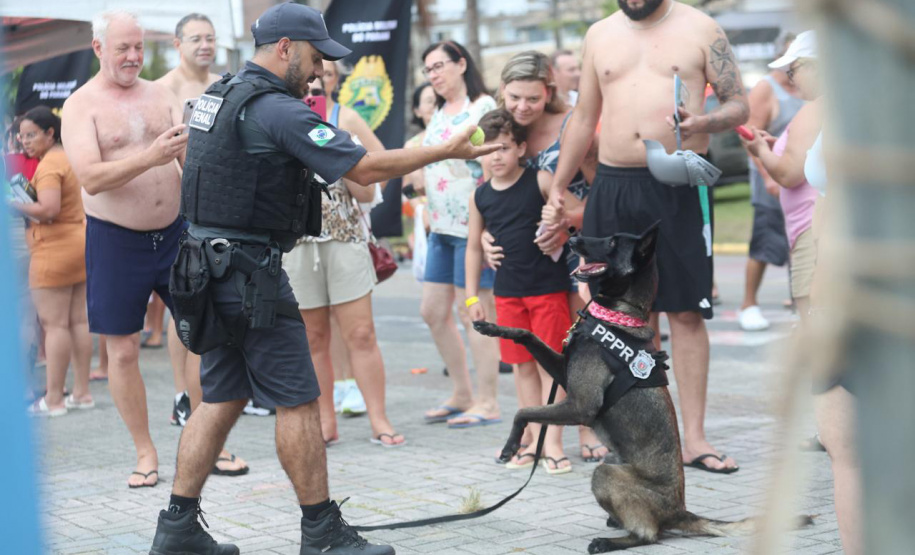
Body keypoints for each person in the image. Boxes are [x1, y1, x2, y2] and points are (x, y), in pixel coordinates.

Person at [146, 4, 498, 553]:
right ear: (285, 47)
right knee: (299, 402)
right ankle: (322, 533)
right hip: (250, 277)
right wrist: (445, 150)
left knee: (220, 397)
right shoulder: (276, 110)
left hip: (207, 268)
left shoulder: (218, 96)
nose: (317, 72)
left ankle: (176, 529)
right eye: (314, 58)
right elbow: (363, 168)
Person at [544, 0, 749, 473]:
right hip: (614, 185)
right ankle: (648, 436)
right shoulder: (599, 35)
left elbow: (739, 103)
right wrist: (558, 184)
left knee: (686, 312)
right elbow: (582, 118)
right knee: (625, 319)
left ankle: (694, 439)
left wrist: (706, 122)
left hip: (678, 184)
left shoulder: (701, 28)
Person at [61, 10, 189, 488]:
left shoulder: (162, 93)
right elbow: (91, 176)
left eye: (138, 47)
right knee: (123, 350)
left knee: (205, 333)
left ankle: (204, 438)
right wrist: (151, 156)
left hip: (175, 231)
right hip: (116, 240)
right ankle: (145, 451)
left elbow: (187, 156)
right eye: (123, 48)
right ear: (98, 49)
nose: (134, 56)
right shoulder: (81, 105)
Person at [485, 50, 607, 463]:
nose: (522, 107)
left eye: (532, 99)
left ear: (549, 93)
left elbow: (602, 197)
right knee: (531, 352)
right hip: (523, 260)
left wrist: (569, 221)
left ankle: (587, 427)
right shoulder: (497, 129)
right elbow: (490, 195)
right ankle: (537, 432)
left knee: (576, 346)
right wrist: (484, 236)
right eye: (514, 96)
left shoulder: (573, 124)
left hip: (574, 252)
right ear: (502, 90)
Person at [283, 66, 404, 447]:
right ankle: (325, 422)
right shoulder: (279, 121)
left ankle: (379, 420)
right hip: (298, 246)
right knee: (314, 338)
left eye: (325, 76)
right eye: (311, 78)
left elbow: (370, 188)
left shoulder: (344, 121)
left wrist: (341, 149)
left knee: (361, 334)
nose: (316, 83)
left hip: (345, 239)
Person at [155, 12, 249, 477]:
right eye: (196, 38)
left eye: (211, 38)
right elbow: (172, 150)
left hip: (223, 209)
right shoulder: (164, 88)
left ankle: (211, 395)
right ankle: (184, 395)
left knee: (212, 304)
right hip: (185, 211)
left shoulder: (226, 83)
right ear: (178, 43)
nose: (205, 45)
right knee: (185, 305)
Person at [466, 110, 573, 473]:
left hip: (547, 291)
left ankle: (553, 442)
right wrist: (470, 298)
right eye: (489, 149)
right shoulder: (479, 197)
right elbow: (472, 249)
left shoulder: (540, 180)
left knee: (550, 369)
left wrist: (559, 225)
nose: (496, 156)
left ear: (521, 148)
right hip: (507, 295)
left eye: (505, 147)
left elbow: (567, 215)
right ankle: (533, 440)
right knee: (522, 368)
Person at [418, 40, 502, 429]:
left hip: (472, 231)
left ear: (461, 64)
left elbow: (493, 170)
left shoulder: (482, 108)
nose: (434, 75)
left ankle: (487, 401)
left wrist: (489, 227)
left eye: (439, 66)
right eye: (428, 70)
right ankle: (462, 393)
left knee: (476, 314)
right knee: (433, 312)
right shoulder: (437, 111)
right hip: (440, 228)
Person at [12, 107, 94, 416]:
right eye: (21, 136)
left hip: (53, 249)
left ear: (50, 133)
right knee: (79, 321)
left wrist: (14, 203)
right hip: (78, 243)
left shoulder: (49, 166)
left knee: (55, 324)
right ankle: (82, 393)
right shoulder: (70, 156)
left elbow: (48, 209)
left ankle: (55, 399)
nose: (25, 142)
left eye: (31, 135)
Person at [742, 30, 822, 324]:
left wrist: (761, 150)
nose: (791, 78)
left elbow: (789, 174)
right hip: (818, 226)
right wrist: (780, 145)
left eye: (794, 70)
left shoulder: (813, 111)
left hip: (812, 230)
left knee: (814, 321)